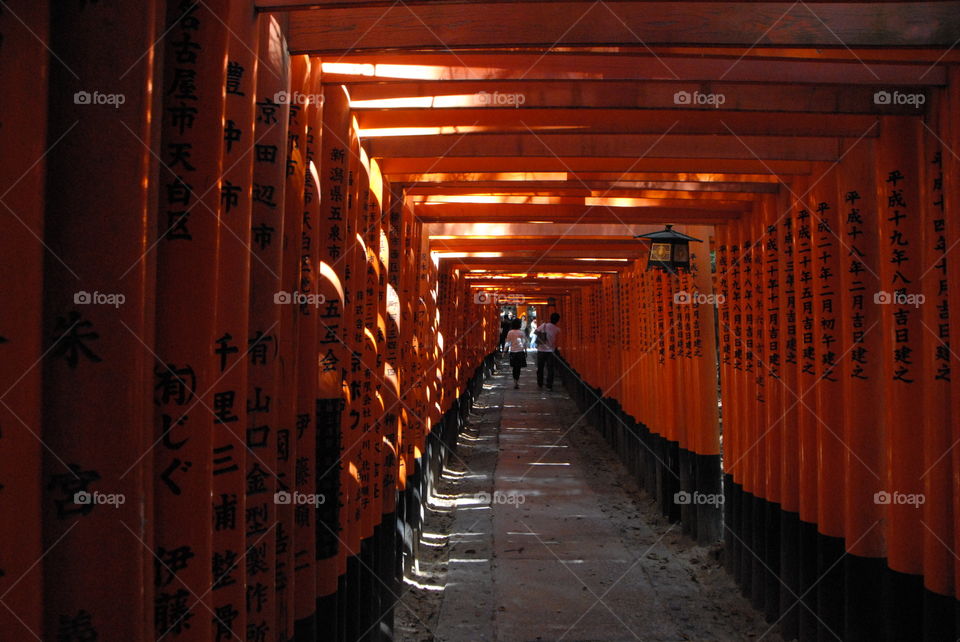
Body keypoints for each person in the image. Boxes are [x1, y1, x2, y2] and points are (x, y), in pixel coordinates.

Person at [534, 312, 561, 390]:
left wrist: (542, 336)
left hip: (541, 350)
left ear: (550, 318)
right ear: (558, 320)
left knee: (540, 367)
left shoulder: (544, 325)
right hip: (551, 351)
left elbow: (536, 332)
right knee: (550, 368)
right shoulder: (557, 329)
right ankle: (549, 385)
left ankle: (540, 383)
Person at [505, 318, 527, 389]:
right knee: (518, 368)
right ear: (519, 325)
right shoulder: (521, 333)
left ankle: (515, 381)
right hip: (520, 352)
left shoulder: (510, 332)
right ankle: (517, 381)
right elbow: (524, 343)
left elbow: (507, 342)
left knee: (514, 367)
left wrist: (504, 351)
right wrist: (525, 351)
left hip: (513, 352)